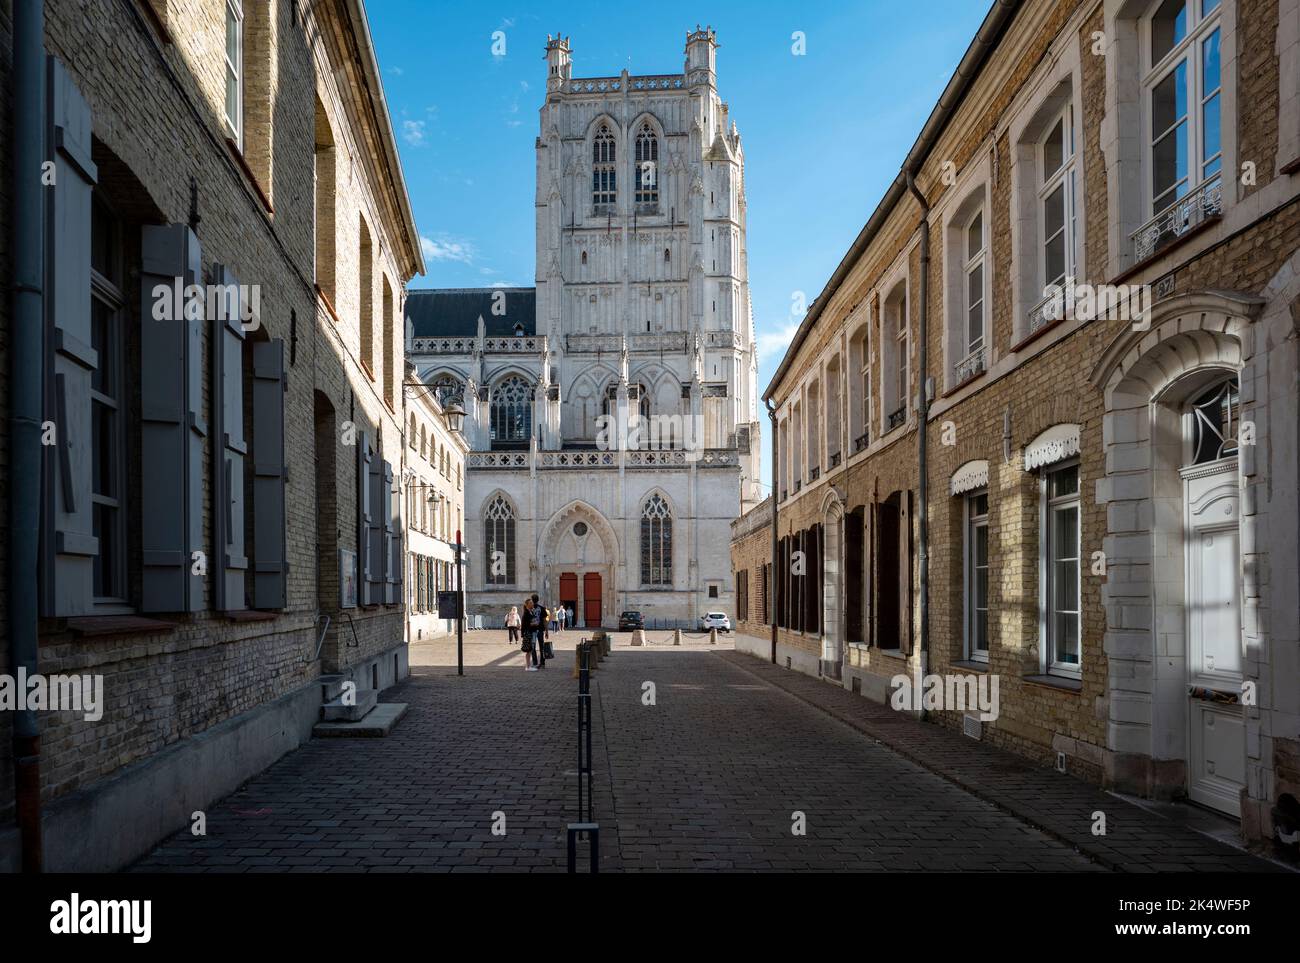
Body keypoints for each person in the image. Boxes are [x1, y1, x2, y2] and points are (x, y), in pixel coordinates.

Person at [531, 593, 549, 667]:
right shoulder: (542, 608)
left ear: (532, 600)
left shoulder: (529, 608)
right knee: (541, 647)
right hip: (540, 630)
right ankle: (542, 663)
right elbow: (545, 621)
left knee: (533, 647)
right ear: (538, 600)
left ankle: (535, 663)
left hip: (532, 630)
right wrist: (547, 631)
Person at [521, 599, 538, 671]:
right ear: (527, 604)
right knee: (529, 649)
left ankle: (528, 666)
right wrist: (534, 624)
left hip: (532, 632)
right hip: (528, 633)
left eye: (532, 602)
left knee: (530, 649)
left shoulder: (531, 612)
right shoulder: (526, 613)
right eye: (531, 603)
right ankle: (528, 667)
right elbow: (525, 624)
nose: (532, 604)